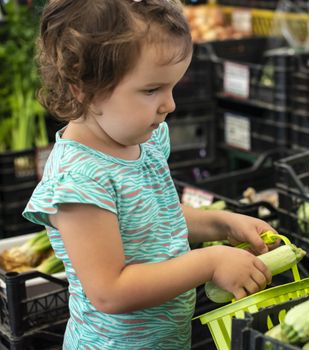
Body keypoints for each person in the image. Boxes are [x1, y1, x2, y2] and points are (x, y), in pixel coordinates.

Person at [23, 1, 276, 348]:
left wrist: (221, 223)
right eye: (151, 90)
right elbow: (110, 291)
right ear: (82, 87)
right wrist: (209, 262)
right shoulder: (80, 179)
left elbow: (156, 216)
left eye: (171, 87)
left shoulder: (145, 140)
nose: (169, 104)